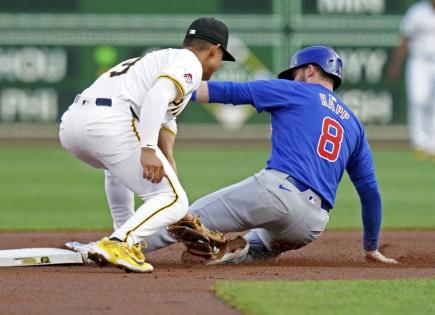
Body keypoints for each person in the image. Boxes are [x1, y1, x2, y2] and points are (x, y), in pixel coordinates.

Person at [142, 46, 398, 264]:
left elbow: (229, 92)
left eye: (295, 73)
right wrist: (371, 247)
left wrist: (168, 89)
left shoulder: (296, 90)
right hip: (311, 225)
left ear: (309, 70)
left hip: (278, 194)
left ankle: (124, 245)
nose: (291, 78)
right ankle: (233, 251)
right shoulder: (354, 124)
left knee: (182, 216)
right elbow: (370, 191)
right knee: (254, 246)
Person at [59, 17, 235, 272]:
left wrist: (168, 166)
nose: (218, 65)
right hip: (111, 121)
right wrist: (148, 149)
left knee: (122, 172)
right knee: (174, 200)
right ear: (214, 50)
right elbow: (157, 96)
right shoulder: (189, 63)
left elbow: (164, 123)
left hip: (73, 124)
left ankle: (125, 238)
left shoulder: (158, 60)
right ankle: (120, 242)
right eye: (221, 58)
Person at [387, 0, 435, 158]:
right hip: (419, 62)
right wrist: (396, 63)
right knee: (417, 99)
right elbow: (405, 39)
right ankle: (419, 142)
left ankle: (432, 143)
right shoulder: (418, 11)